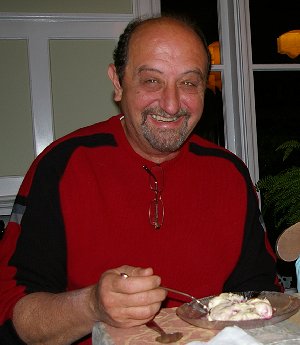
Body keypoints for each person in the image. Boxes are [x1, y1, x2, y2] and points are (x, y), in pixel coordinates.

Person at [0, 15, 281, 345]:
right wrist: (91, 305)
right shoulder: (61, 166)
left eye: (189, 83)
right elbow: (11, 314)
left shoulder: (230, 174)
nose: (171, 104)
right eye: (152, 81)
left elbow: (263, 295)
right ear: (117, 82)